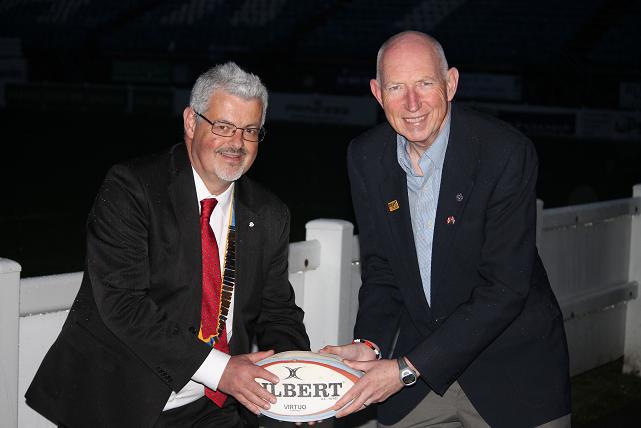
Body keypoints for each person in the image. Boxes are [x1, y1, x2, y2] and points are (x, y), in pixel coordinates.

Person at [26, 61, 310, 427]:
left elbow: (278, 312)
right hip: (122, 403)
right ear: (191, 122)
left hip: (214, 408)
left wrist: (299, 382)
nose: (237, 143)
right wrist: (222, 371)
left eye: (250, 130)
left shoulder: (269, 213)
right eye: (223, 126)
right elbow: (123, 304)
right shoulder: (133, 188)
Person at [322, 31, 571, 428]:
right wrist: (368, 345)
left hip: (510, 368)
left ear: (451, 83)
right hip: (419, 375)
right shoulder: (367, 157)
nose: (412, 103)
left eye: (425, 83)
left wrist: (406, 367)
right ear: (377, 92)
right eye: (396, 87)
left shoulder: (505, 153)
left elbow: (505, 289)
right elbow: (382, 270)